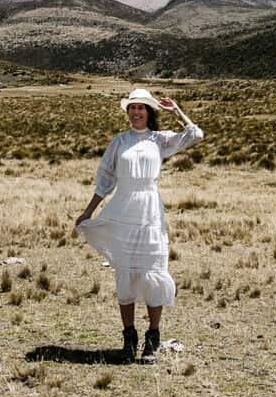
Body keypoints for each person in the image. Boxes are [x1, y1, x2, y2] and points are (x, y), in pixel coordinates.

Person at [75, 88, 203, 363]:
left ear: (149, 112)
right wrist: (88, 211)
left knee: (152, 269)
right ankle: (128, 339)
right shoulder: (119, 142)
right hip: (123, 209)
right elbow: (105, 180)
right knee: (126, 272)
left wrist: (177, 111)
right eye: (132, 108)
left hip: (150, 212)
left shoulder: (160, 140)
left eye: (141, 108)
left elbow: (196, 135)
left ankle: (152, 339)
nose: (135, 113)